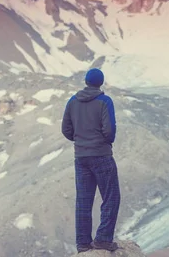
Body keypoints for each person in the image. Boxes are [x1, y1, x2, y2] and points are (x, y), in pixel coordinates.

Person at [61, 68, 120, 253]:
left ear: (86, 81)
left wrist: (81, 141)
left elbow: (66, 129)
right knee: (111, 197)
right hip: (101, 155)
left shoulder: (72, 101)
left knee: (84, 201)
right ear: (100, 82)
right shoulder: (104, 101)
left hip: (81, 157)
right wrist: (103, 142)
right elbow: (109, 130)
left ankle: (83, 243)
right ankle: (103, 239)